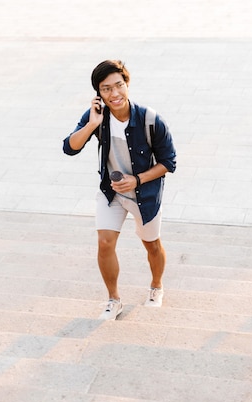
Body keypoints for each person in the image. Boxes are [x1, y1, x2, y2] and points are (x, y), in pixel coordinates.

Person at [62, 59, 177, 320]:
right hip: (111, 192)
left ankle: (156, 286)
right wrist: (91, 124)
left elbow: (169, 162)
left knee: (152, 245)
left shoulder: (150, 119)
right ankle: (113, 300)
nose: (114, 94)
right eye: (106, 89)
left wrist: (137, 180)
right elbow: (70, 147)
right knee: (104, 243)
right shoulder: (96, 117)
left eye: (119, 86)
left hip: (144, 195)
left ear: (127, 85)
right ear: (98, 94)